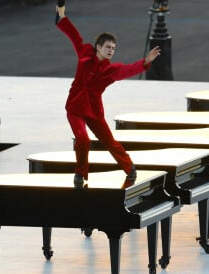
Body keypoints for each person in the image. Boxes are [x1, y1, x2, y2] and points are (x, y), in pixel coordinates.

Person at [55, 5, 161, 188]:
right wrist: (62, 17)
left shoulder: (111, 70)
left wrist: (145, 61)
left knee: (109, 141)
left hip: (94, 110)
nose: (111, 50)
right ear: (98, 47)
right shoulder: (85, 53)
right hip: (75, 108)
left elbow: (128, 69)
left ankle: (130, 168)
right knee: (83, 138)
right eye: (108, 47)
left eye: (113, 48)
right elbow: (75, 37)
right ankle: (80, 174)